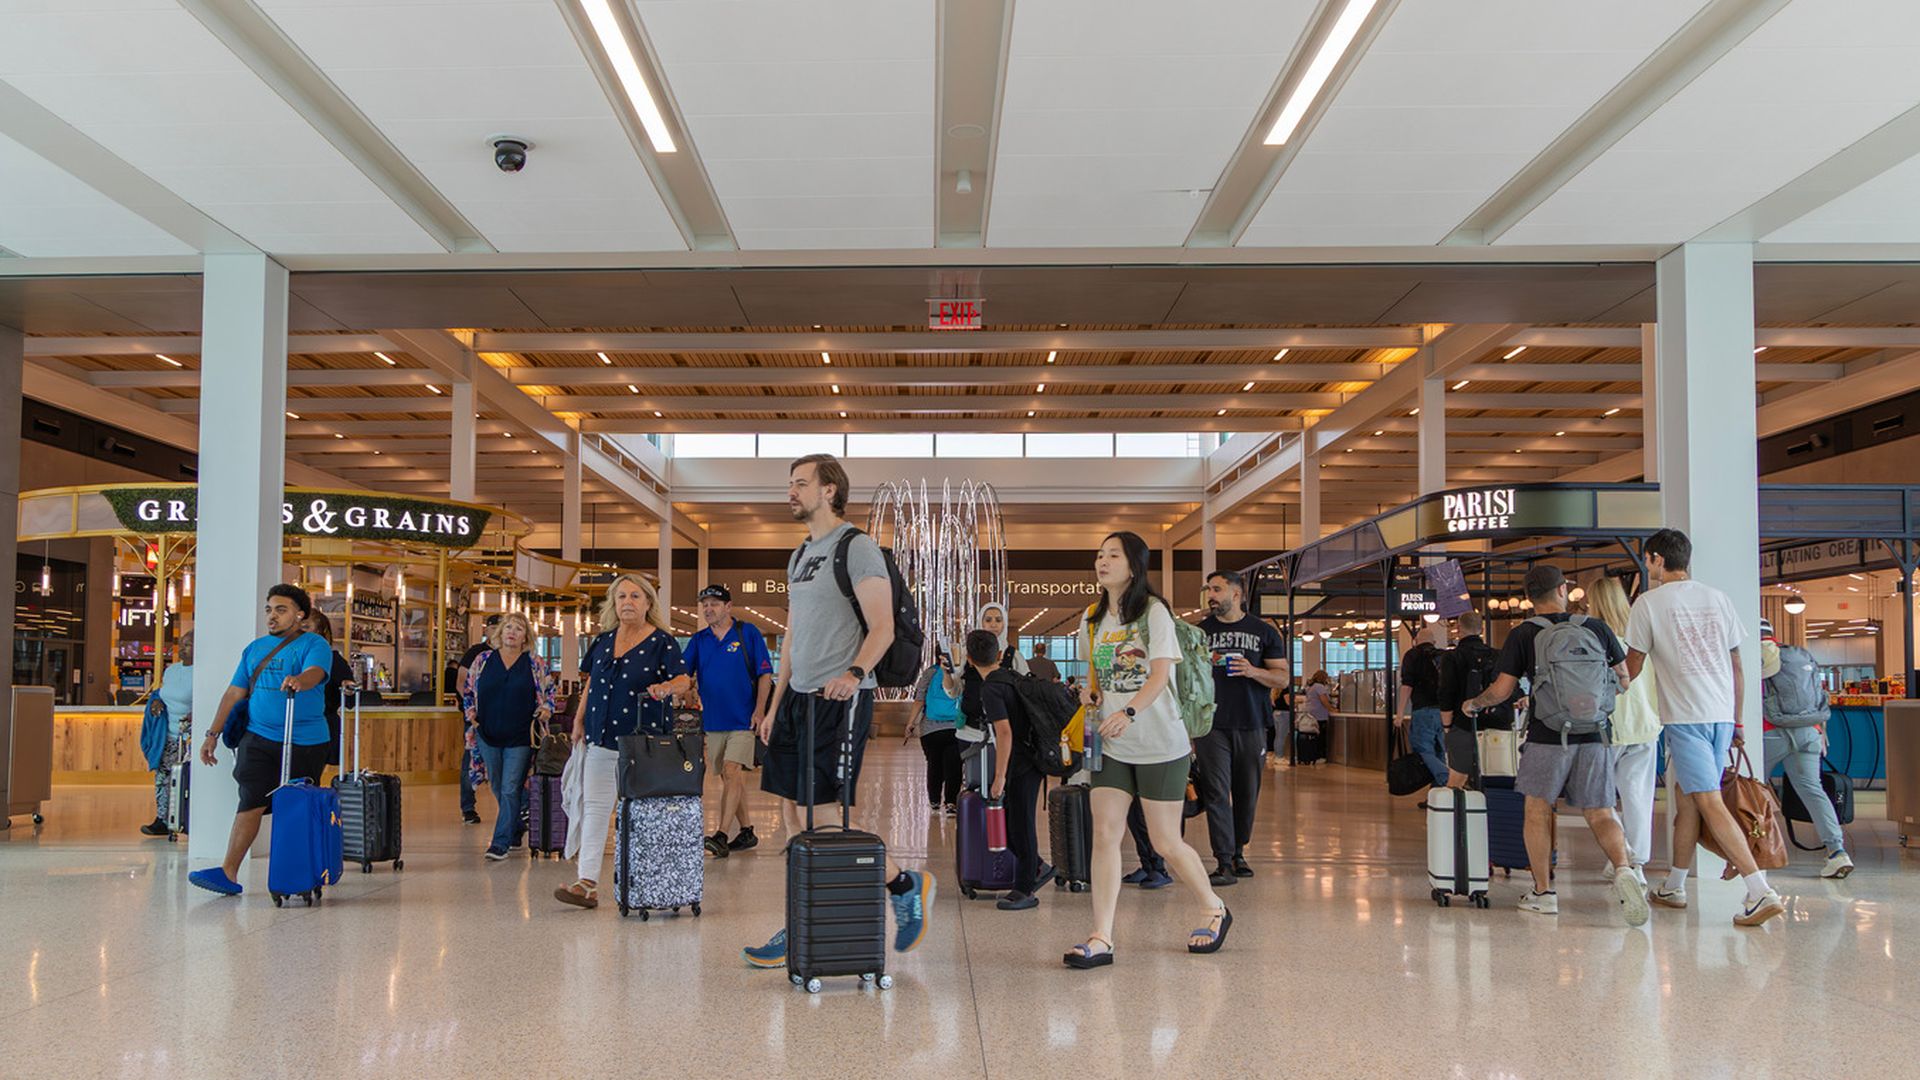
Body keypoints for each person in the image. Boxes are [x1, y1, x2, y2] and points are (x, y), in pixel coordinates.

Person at [744, 453, 934, 967]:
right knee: (790, 811)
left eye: (800, 483)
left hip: (838, 700)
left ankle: (901, 883)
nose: (791, 492)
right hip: (796, 701)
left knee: (819, 813)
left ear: (830, 490)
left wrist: (852, 675)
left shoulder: (858, 548)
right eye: (790, 484)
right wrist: (773, 704)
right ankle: (801, 918)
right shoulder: (800, 553)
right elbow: (793, 637)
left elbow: (883, 628)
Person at [1065, 530, 1229, 969]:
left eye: (1112, 555)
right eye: (1099, 555)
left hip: (1160, 740)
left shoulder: (1154, 613)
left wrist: (1131, 712)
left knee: (1165, 840)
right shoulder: (1092, 619)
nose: (1102, 561)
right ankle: (1101, 935)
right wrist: (1090, 695)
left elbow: (1159, 677)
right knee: (1104, 834)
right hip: (1111, 742)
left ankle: (1213, 908)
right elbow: (1096, 676)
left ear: (1134, 566)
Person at [1463, 564, 1647, 926]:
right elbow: (1624, 680)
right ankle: (1624, 869)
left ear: (1531, 598)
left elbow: (1502, 689)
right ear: (1563, 589)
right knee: (1601, 811)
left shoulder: (1523, 634)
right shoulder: (1596, 627)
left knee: (1537, 810)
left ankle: (1543, 893)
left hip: (1547, 736)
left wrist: (1474, 703)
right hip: (1595, 734)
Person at [1625, 528, 1785, 927]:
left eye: (1648, 559)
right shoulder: (1719, 599)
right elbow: (1736, 665)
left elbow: (1632, 665)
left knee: (1708, 800)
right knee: (1690, 800)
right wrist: (1738, 718)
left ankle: (1758, 889)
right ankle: (1675, 884)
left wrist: (1607, 690)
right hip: (1720, 715)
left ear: (1658, 559)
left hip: (1686, 717)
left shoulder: (1648, 604)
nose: (1648, 566)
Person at [188, 585, 334, 897]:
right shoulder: (254, 650)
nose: (272, 616)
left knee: (295, 805)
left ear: (300, 614)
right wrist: (211, 734)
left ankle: (300, 872)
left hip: (304, 740)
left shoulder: (314, 644)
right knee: (250, 798)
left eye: (281, 610)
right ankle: (228, 872)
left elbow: (315, 673)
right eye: (269, 609)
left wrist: (299, 681)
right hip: (258, 737)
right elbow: (233, 693)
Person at [555, 574, 689, 908]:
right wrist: (580, 719)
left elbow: (684, 680)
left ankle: (647, 883)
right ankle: (586, 883)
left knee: (642, 813)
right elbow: (591, 684)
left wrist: (667, 688)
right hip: (601, 737)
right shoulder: (602, 641)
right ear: (613, 604)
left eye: (635, 596)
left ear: (648, 603)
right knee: (595, 807)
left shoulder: (663, 642)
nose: (627, 602)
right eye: (621, 597)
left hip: (642, 742)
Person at [1195, 569, 1287, 885]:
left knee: (1246, 793)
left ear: (1237, 593)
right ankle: (1223, 860)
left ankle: (1238, 851)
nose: (1211, 595)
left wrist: (1252, 671)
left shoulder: (1264, 632)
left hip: (1252, 723)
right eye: (1209, 589)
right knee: (1216, 792)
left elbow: (1283, 678)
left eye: (1217, 589)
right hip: (1211, 725)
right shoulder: (1200, 632)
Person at [683, 584, 774, 857]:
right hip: (713, 721)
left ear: (728, 606)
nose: (708, 609)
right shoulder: (698, 641)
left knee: (733, 771)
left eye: (714, 604)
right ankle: (747, 830)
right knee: (728, 777)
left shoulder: (747, 633)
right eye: (705, 605)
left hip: (743, 719)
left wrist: (760, 711)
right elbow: (682, 673)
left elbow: (764, 674)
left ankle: (721, 835)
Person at [460, 611, 560, 861]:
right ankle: (516, 826)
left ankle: (500, 843)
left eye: (518, 628)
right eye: (508, 628)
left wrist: (547, 709)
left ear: (526, 635)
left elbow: (549, 692)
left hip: (521, 736)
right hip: (487, 733)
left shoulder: (535, 663)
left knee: (509, 787)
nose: (512, 632)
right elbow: (469, 690)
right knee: (496, 784)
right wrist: (471, 714)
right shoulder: (483, 660)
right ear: (499, 633)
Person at [1759, 618, 1852, 878]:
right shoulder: (1798, 655)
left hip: (1771, 733)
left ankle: (1754, 848)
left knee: (1752, 789)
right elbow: (1818, 695)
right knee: (1813, 791)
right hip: (1810, 732)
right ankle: (1837, 852)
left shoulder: (1757, 658)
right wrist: (1820, 731)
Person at [1588, 577, 1659, 884]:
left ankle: (1622, 854)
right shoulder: (1641, 638)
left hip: (1607, 726)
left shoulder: (1593, 638)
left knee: (1598, 800)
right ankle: (1638, 863)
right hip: (1645, 724)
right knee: (1638, 797)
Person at [971, 629, 1048, 911]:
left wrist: (999, 777)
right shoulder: (1012, 678)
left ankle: (1026, 888)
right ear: (1001, 655)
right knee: (1014, 824)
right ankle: (1037, 868)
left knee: (1021, 826)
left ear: (969, 659)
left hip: (1021, 764)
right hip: (1031, 758)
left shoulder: (991, 687)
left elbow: (1004, 733)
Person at [1397, 622, 1465, 789]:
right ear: (1434, 642)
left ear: (1416, 641)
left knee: (1422, 750)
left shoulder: (1412, 655)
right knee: (1440, 750)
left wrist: (1399, 714)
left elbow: (1407, 686)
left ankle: (1446, 779)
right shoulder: (1444, 656)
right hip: (1445, 711)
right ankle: (1438, 795)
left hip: (1423, 710)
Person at [141, 632, 194, 837]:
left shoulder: (203, 671)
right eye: (181, 644)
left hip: (188, 736)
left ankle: (184, 819)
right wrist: (157, 700)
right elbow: (162, 693)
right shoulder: (171, 671)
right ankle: (162, 819)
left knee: (184, 779)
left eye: (188, 645)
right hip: (167, 734)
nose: (182, 648)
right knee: (162, 778)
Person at [454, 614, 502, 826]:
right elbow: (461, 682)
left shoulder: (510, 653)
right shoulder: (475, 653)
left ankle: (511, 809)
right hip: (476, 717)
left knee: (503, 761)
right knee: (470, 760)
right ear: (487, 630)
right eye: (495, 627)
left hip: (502, 715)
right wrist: (472, 710)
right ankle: (468, 807)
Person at [907, 656, 964, 813]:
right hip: (955, 727)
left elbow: (919, 700)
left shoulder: (929, 673)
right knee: (954, 764)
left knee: (934, 763)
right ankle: (951, 802)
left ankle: (934, 800)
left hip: (930, 729)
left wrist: (910, 723)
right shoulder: (960, 672)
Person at [304, 611, 356, 770]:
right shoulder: (295, 657)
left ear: (321, 631)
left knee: (311, 777)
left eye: (306, 626)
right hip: (300, 726)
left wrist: (348, 688)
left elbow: (350, 697)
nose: (300, 630)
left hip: (322, 727)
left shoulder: (333, 660)